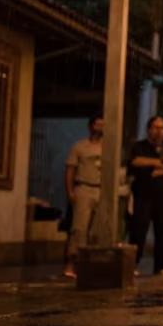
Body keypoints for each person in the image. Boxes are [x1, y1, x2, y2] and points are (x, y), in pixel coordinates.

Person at [128, 116, 163, 276]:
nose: (160, 131)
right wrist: (158, 163)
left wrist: (161, 160)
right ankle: (132, 266)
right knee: (138, 231)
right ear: (149, 129)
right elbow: (136, 161)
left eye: (162, 128)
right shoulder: (139, 146)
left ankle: (160, 266)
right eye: (156, 127)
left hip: (162, 195)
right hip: (142, 195)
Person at [63, 115, 104, 279]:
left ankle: (90, 265)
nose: (101, 128)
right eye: (98, 124)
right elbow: (70, 169)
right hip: (84, 187)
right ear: (92, 126)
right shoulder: (79, 147)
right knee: (79, 228)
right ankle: (72, 263)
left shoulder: (108, 148)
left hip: (101, 190)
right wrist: (70, 191)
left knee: (97, 230)